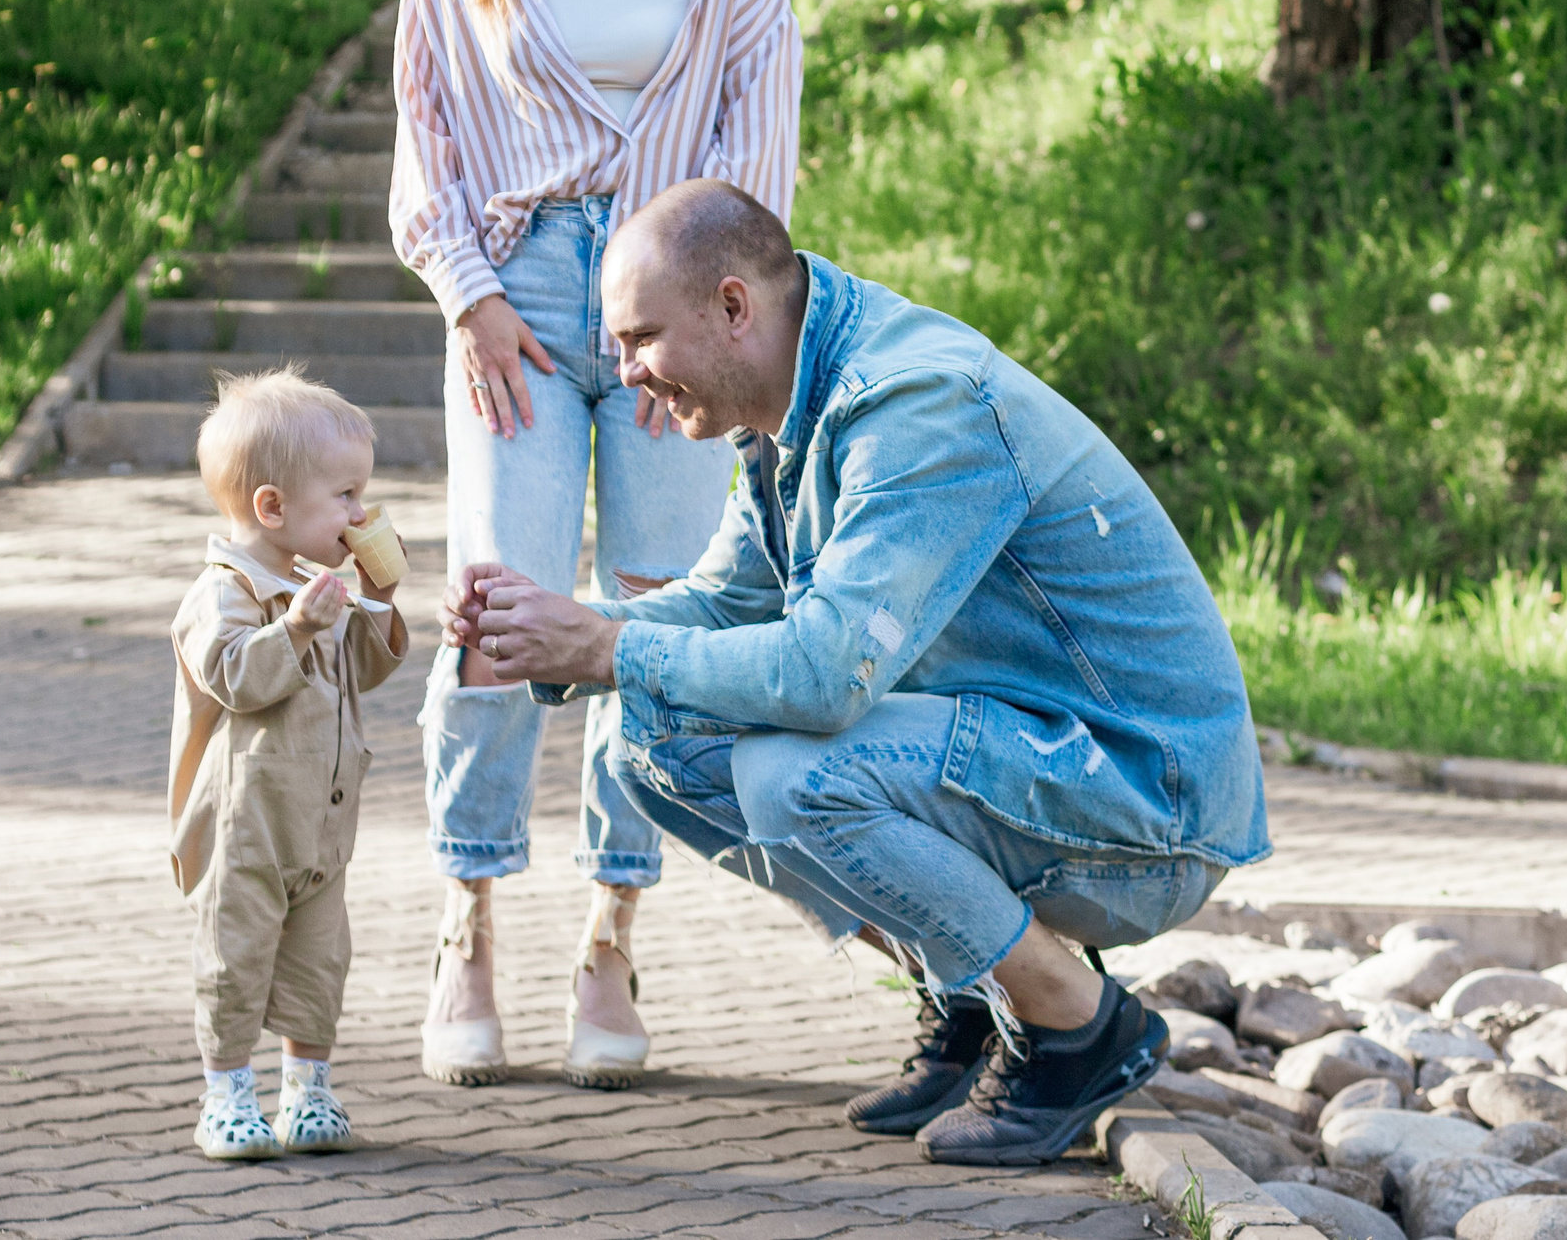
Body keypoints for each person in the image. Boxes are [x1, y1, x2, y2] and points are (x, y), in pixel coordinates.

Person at [443, 181, 1271, 1167]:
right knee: (650, 741)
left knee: (794, 777)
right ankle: (969, 995)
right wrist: (567, 629)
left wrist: (607, 649)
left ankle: (1077, 1025)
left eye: (639, 339)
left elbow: (825, 676)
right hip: (1036, 759)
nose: (626, 377)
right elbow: (728, 605)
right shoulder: (790, 408)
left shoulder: (913, 402)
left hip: (1148, 801)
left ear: (734, 306)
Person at [388, 0, 800, 1090]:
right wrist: (472, 298)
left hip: (676, 295)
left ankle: (613, 933)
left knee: (649, 606)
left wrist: (691, 318)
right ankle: (466, 917)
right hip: (516, 298)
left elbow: (760, 118)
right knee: (500, 600)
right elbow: (427, 144)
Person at [167, 368, 409, 1159]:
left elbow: (363, 671)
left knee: (318, 961)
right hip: (249, 826)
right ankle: (226, 1093)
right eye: (343, 495)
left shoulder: (315, 585)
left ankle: (307, 1089)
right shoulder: (226, 591)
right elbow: (234, 675)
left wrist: (378, 596)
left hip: (324, 821)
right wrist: (298, 629)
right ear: (272, 508)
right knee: (236, 955)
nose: (358, 512)